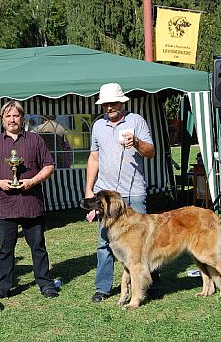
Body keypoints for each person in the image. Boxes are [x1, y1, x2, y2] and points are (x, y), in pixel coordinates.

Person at [0, 100, 59, 299]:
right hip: (5, 205)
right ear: (2, 120)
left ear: (22, 118)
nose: (12, 120)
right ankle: (3, 287)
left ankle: (45, 283)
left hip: (31, 203)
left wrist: (33, 180)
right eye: (8, 116)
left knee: (38, 247)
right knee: (5, 249)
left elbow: (49, 166)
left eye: (16, 115)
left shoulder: (35, 140)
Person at [84, 83, 155, 303]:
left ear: (122, 102)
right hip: (106, 196)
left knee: (143, 243)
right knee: (104, 242)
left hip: (133, 192)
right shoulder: (98, 126)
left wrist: (136, 142)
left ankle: (147, 284)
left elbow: (150, 152)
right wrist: (89, 190)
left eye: (113, 103)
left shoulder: (137, 121)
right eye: (106, 104)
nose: (109, 107)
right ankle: (103, 287)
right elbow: (94, 158)